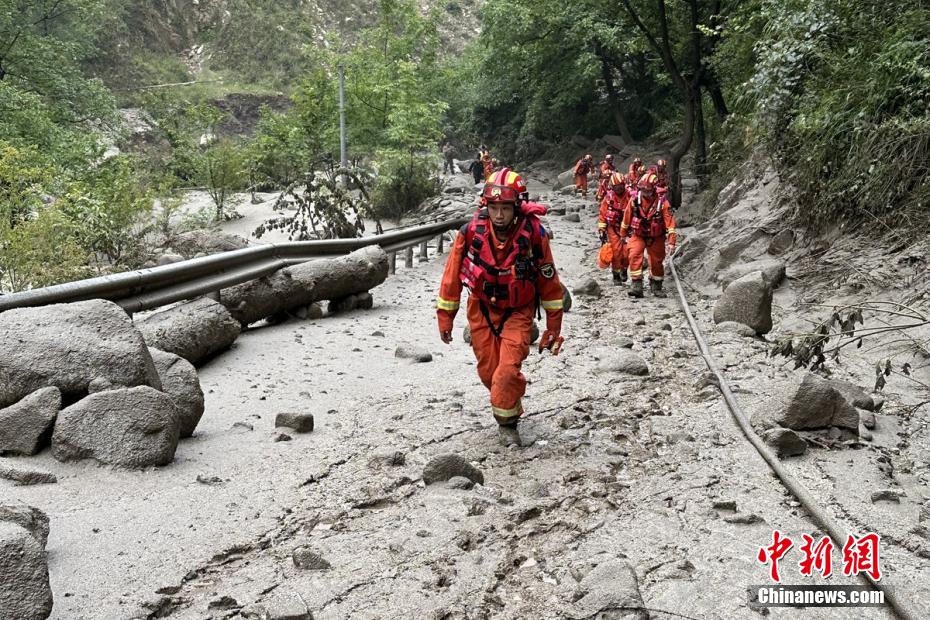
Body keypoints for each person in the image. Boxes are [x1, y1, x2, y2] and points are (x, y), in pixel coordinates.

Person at [436, 168, 565, 446]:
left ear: (516, 206)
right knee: (488, 374)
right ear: (486, 206)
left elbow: (550, 283)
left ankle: (507, 425)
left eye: (505, 208)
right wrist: (446, 317)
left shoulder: (534, 235)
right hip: (481, 309)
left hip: (519, 312)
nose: (498, 215)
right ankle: (509, 404)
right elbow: (451, 278)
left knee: (505, 373)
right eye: (493, 208)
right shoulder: (470, 232)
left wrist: (553, 327)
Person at [620, 172, 677, 298]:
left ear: (654, 189)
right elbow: (626, 218)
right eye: (643, 190)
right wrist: (622, 235)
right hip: (638, 234)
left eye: (648, 190)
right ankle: (636, 285)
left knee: (657, 261)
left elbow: (670, 224)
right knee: (634, 254)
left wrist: (672, 242)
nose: (645, 193)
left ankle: (656, 285)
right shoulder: (634, 200)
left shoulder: (662, 203)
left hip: (656, 237)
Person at [597, 171, 631, 285]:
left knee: (627, 252)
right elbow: (602, 214)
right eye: (617, 187)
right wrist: (602, 230)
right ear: (613, 187)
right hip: (613, 228)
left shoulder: (631, 196)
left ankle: (624, 269)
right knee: (616, 252)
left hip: (628, 229)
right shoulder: (608, 198)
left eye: (621, 186)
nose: (619, 189)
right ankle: (616, 275)